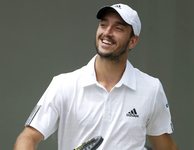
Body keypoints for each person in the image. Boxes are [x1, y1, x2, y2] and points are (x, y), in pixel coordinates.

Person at [14, 3, 178, 150]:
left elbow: (166, 146)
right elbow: (27, 138)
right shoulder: (63, 84)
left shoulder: (151, 88)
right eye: (103, 24)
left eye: (118, 28)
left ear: (133, 41)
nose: (107, 32)